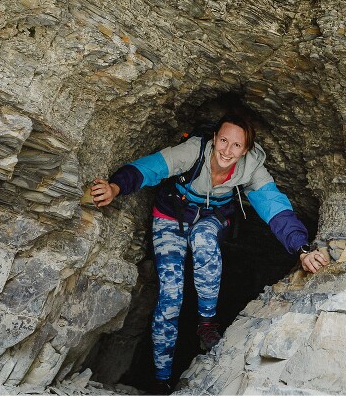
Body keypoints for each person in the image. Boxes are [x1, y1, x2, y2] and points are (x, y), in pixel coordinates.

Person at [90, 113, 327, 393]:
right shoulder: (194, 151)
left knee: (203, 238)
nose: (228, 151)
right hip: (171, 216)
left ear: (246, 149)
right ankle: (162, 380)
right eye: (223, 141)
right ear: (214, 139)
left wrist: (301, 248)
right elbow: (151, 168)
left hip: (212, 218)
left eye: (236, 145)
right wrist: (115, 187)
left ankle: (206, 323)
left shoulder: (251, 167)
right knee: (170, 296)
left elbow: (274, 207)